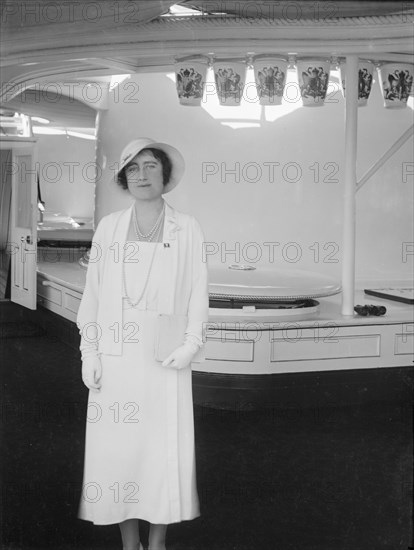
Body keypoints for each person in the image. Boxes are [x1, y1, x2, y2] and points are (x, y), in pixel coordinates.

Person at [76, 138, 209, 550]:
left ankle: (158, 541)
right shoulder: (109, 227)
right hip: (116, 357)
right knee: (119, 454)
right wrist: (90, 350)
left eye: (150, 166)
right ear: (123, 177)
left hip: (164, 355)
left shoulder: (186, 227)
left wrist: (192, 343)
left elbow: (198, 292)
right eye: (133, 169)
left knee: (158, 452)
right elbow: (94, 294)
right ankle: (128, 541)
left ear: (165, 175)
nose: (141, 175)